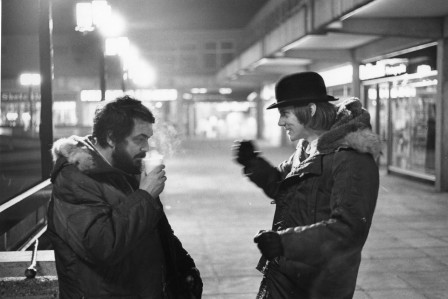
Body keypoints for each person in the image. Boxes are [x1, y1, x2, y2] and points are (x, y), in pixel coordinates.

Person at [233, 72, 381, 299]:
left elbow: (349, 230)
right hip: (287, 275)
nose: (280, 122)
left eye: (285, 114)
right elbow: (280, 185)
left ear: (310, 110)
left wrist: (284, 242)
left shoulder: (352, 157)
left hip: (319, 285)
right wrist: (252, 163)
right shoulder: (307, 147)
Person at [47, 96, 202, 299]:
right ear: (111, 138)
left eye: (148, 138)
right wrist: (145, 195)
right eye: (139, 139)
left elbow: (158, 232)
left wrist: (185, 270)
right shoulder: (74, 180)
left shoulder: (127, 169)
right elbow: (102, 246)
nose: (146, 147)